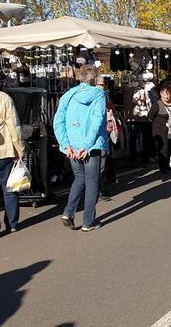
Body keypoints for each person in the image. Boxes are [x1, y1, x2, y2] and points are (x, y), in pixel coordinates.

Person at [55, 65, 108, 232]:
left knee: (79, 179)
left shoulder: (68, 96)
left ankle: (69, 212)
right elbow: (97, 119)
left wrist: (65, 144)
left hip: (73, 145)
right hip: (90, 145)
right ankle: (88, 222)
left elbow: (58, 121)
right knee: (92, 183)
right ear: (94, 78)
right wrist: (87, 144)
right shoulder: (99, 94)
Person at [0, 72, 25, 238]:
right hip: (3, 150)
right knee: (9, 188)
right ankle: (12, 224)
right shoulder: (3, 98)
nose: (0, 82)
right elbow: (14, 126)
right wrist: (19, 149)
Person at [148, 82, 171, 177]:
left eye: (168, 93)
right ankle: (163, 168)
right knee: (164, 149)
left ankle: (167, 166)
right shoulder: (157, 104)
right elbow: (150, 117)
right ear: (161, 94)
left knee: (170, 147)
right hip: (161, 131)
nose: (167, 96)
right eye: (164, 94)